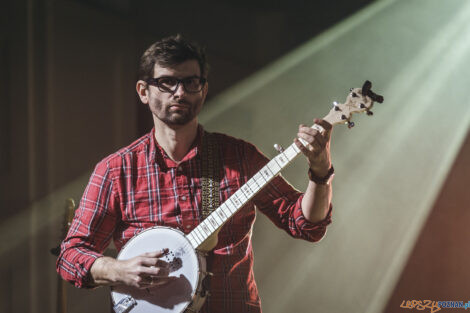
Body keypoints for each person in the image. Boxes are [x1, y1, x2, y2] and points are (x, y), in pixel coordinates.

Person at [57, 34, 334, 313]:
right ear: (143, 91)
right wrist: (120, 269)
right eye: (167, 82)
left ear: (203, 90)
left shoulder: (239, 157)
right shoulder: (117, 171)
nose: (180, 92)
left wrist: (320, 172)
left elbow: (305, 225)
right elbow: (70, 256)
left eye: (191, 83)